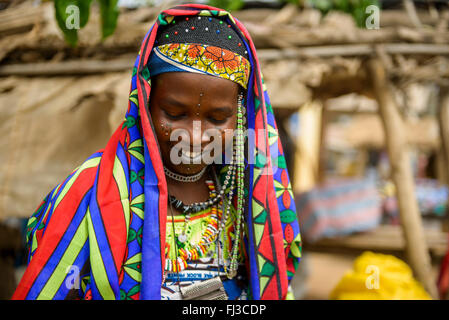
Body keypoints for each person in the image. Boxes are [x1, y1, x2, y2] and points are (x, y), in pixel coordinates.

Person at [12, 3, 301, 300]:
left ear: (240, 116)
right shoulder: (94, 189)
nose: (195, 136)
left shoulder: (251, 195)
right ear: (145, 102)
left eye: (217, 119)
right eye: (174, 114)